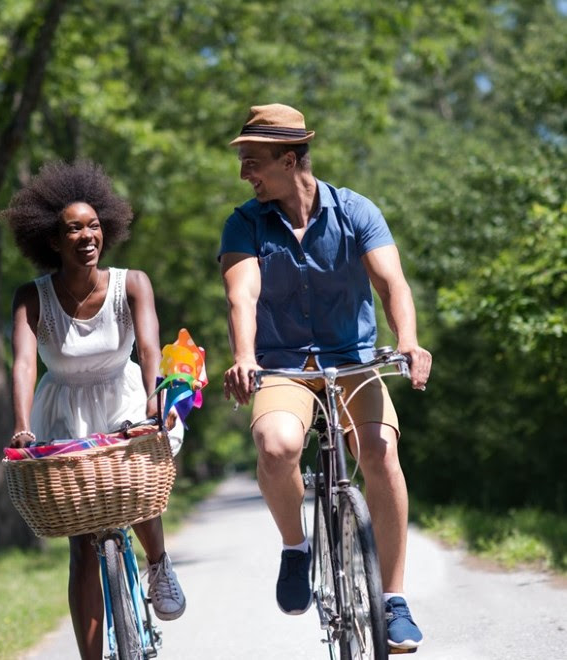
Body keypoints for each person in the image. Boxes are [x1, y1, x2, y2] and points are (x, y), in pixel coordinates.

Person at [219, 103, 432, 652]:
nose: (245, 173)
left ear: (289, 159)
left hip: (354, 359)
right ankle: (296, 547)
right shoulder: (244, 223)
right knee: (277, 444)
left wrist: (407, 341)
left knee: (381, 453)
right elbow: (241, 294)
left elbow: (392, 284)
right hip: (283, 365)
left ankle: (394, 599)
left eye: (253, 161)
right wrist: (244, 355)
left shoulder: (356, 210)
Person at [0, 160, 186, 660]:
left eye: (94, 225)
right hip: (63, 407)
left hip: (124, 393)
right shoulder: (31, 298)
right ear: (53, 241)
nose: (87, 236)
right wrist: (21, 426)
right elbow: (22, 365)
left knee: (137, 489)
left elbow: (149, 348)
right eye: (73, 229)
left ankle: (160, 564)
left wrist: (153, 398)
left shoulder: (133, 283)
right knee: (81, 545)